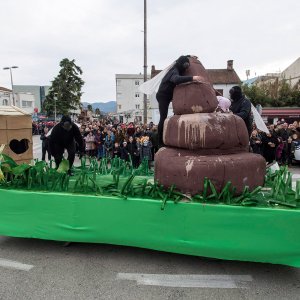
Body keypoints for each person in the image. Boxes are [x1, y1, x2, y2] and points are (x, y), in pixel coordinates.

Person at [156, 55, 204, 147]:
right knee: (163, 117)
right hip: (163, 96)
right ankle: (160, 143)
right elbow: (176, 79)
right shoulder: (174, 71)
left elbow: (180, 58)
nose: (186, 69)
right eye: (185, 66)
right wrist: (193, 78)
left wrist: (189, 56)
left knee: (176, 113)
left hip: (169, 95)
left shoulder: (177, 64)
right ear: (182, 65)